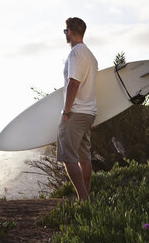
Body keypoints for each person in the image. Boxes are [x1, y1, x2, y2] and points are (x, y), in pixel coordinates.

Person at [57, 17, 98, 201]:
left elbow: (74, 83)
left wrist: (66, 112)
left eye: (66, 31)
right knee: (83, 156)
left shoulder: (76, 53)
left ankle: (83, 199)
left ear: (70, 32)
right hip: (88, 112)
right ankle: (85, 195)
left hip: (76, 113)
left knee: (68, 157)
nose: (65, 34)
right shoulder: (90, 55)